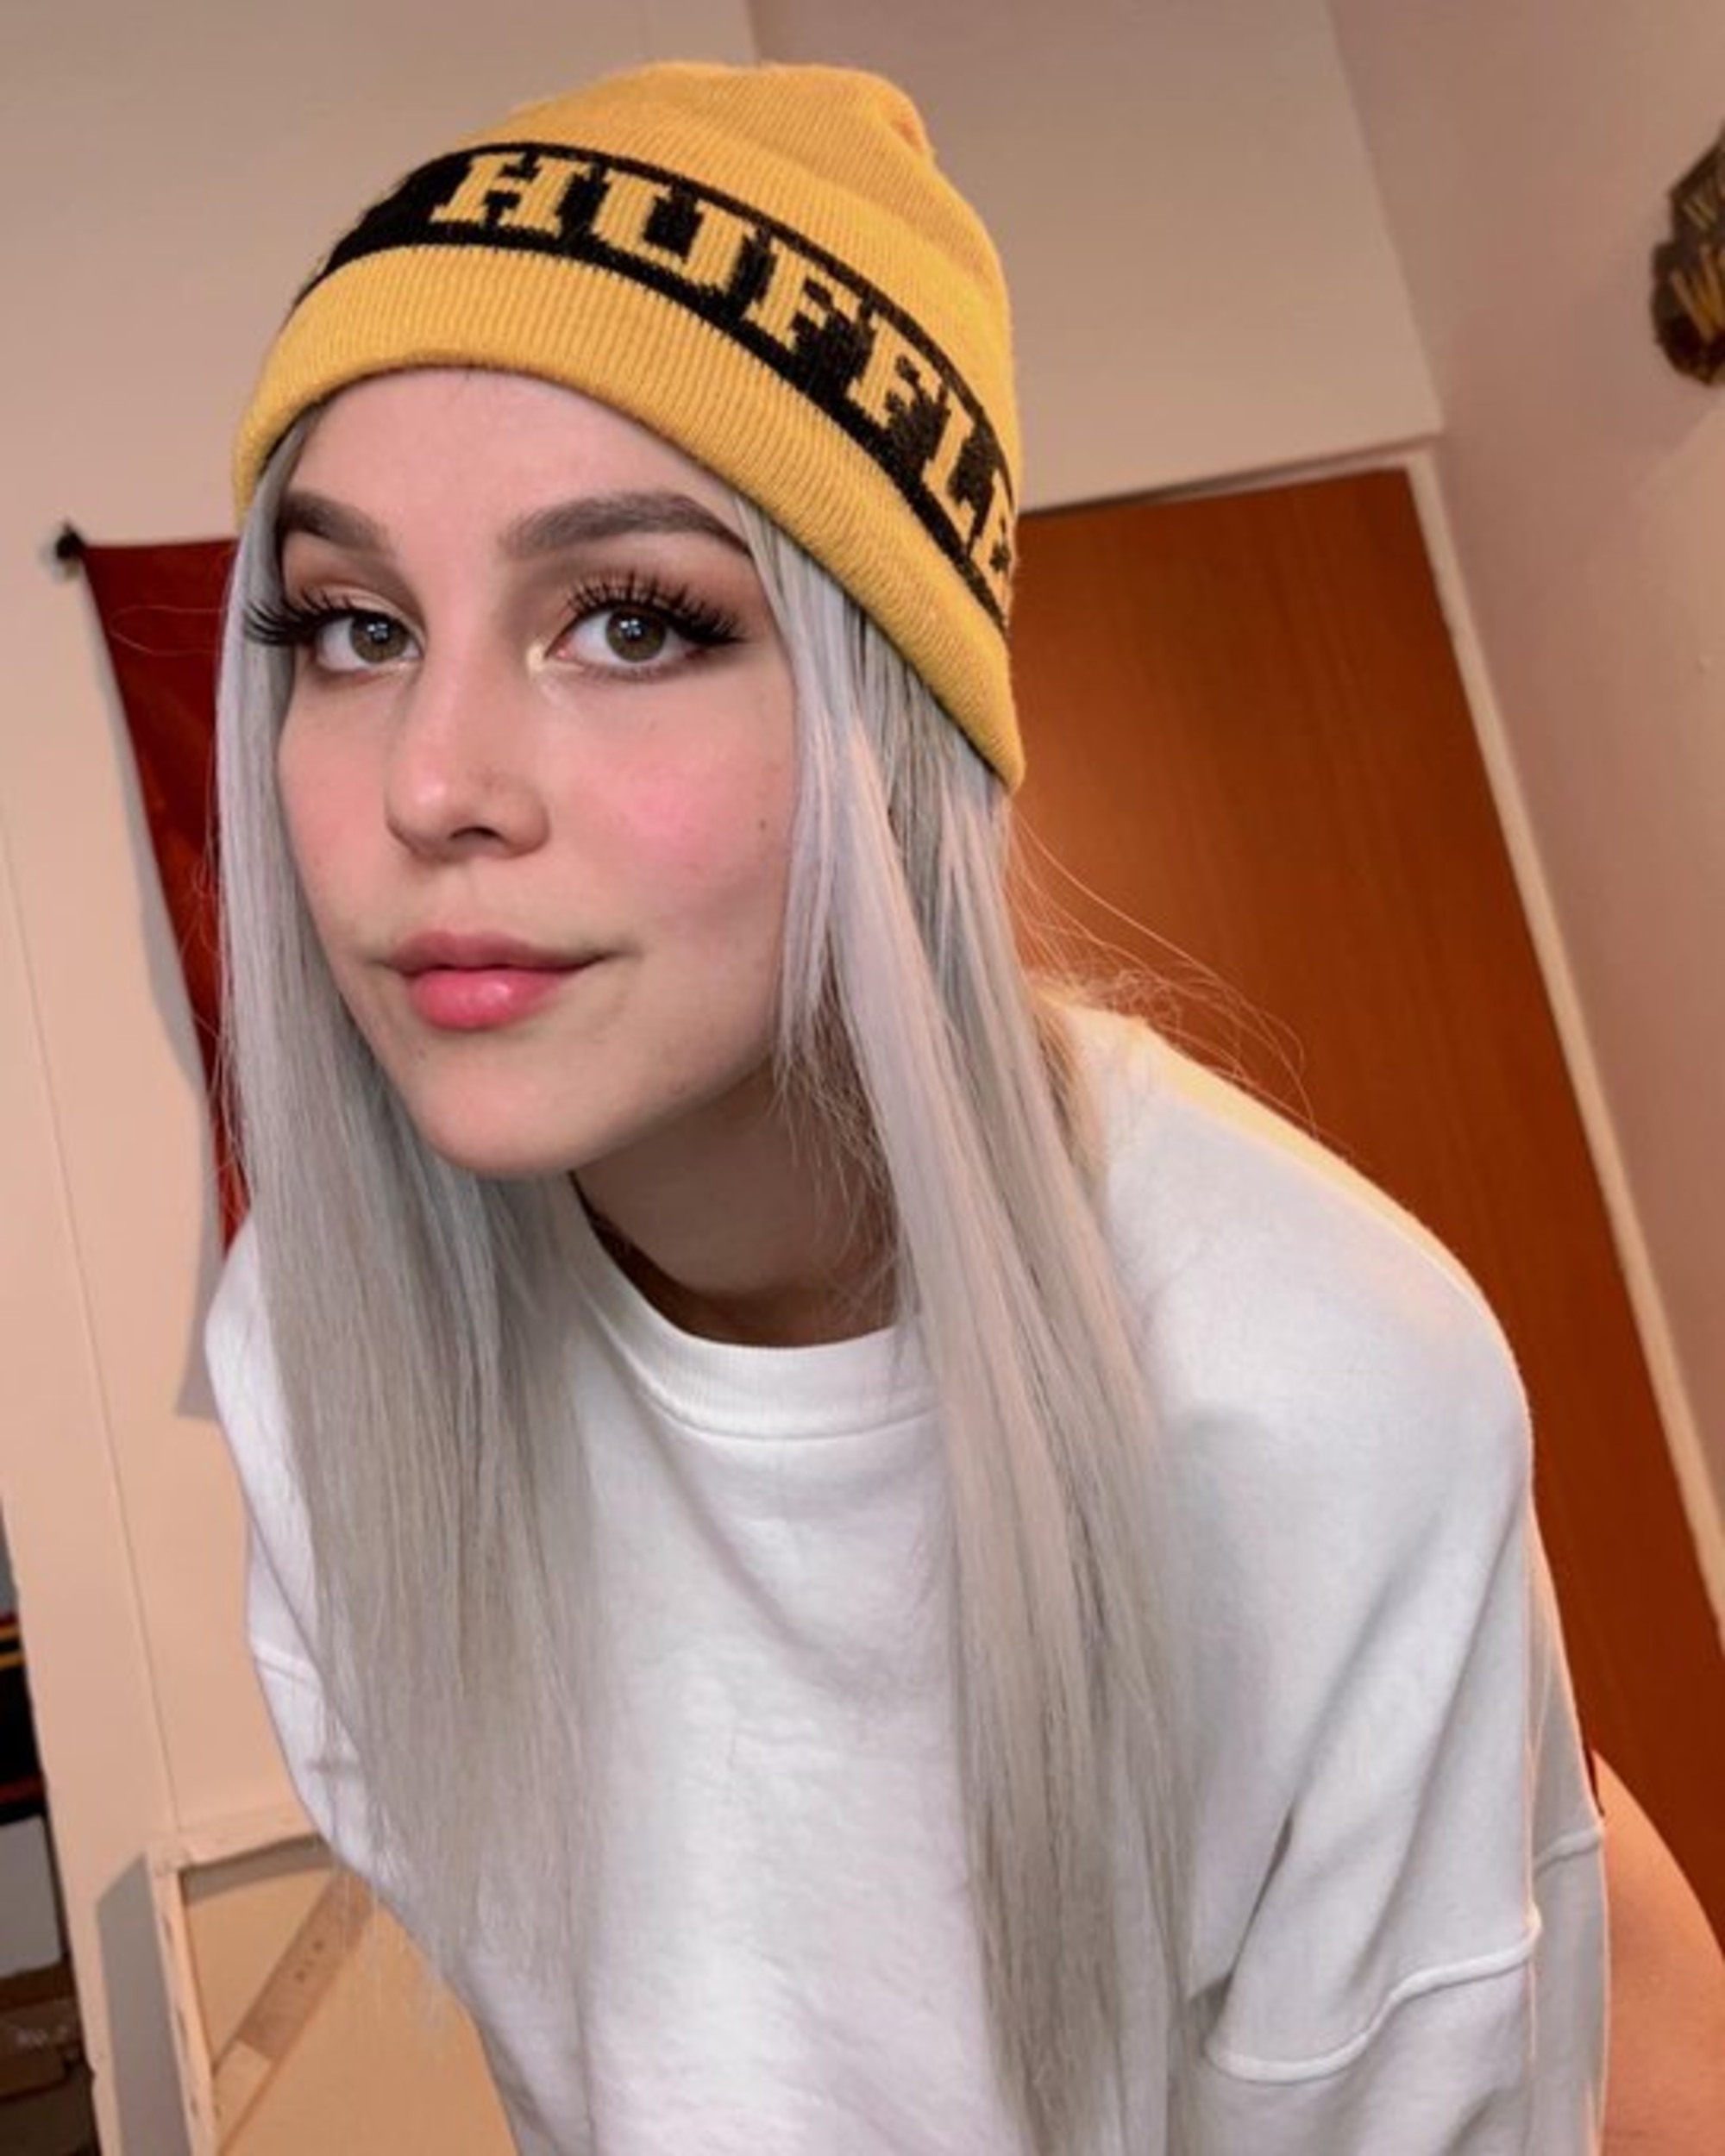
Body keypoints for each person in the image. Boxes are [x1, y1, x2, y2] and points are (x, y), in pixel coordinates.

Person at [204, 60, 1607, 2154]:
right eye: (353, 626)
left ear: (895, 716)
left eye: (628, 619)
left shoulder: (1319, 1400)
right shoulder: (315, 1351)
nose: (430, 780)